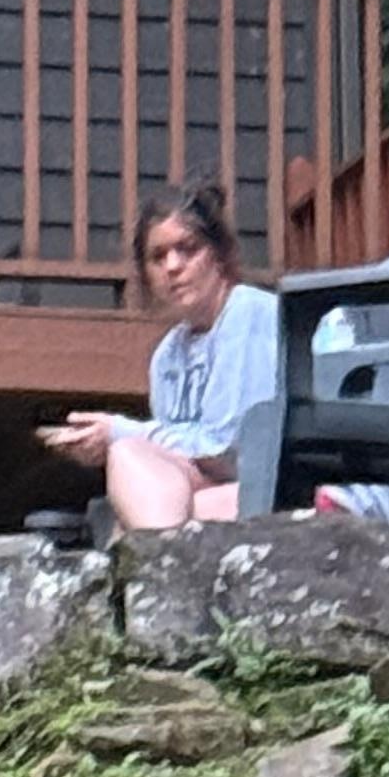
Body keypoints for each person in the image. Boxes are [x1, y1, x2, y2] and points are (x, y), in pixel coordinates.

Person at [41, 180, 277, 530]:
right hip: (212, 496)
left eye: (187, 249)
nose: (172, 266)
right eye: (158, 257)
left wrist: (121, 433)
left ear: (218, 255)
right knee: (132, 471)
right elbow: (179, 458)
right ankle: (161, 552)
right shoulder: (168, 355)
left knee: (128, 457)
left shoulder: (249, 313)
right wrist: (107, 446)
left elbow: (227, 449)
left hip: (274, 490)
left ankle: (160, 556)